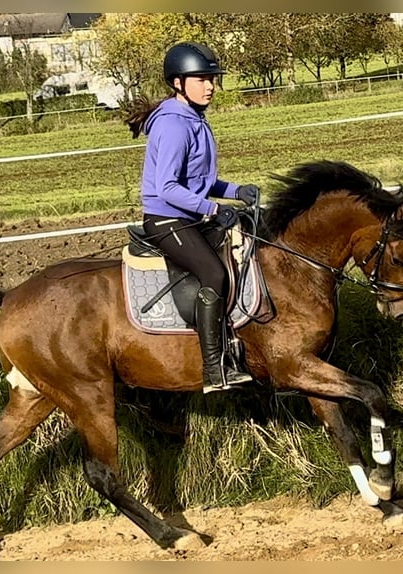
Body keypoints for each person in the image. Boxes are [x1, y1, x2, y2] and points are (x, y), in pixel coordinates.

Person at [125, 41, 259, 394]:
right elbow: (168, 188)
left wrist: (235, 191)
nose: (211, 85)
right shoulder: (173, 125)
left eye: (213, 78)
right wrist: (215, 209)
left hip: (189, 216)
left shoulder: (194, 118)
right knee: (213, 272)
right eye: (202, 78)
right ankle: (214, 367)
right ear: (179, 83)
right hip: (168, 220)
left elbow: (199, 181)